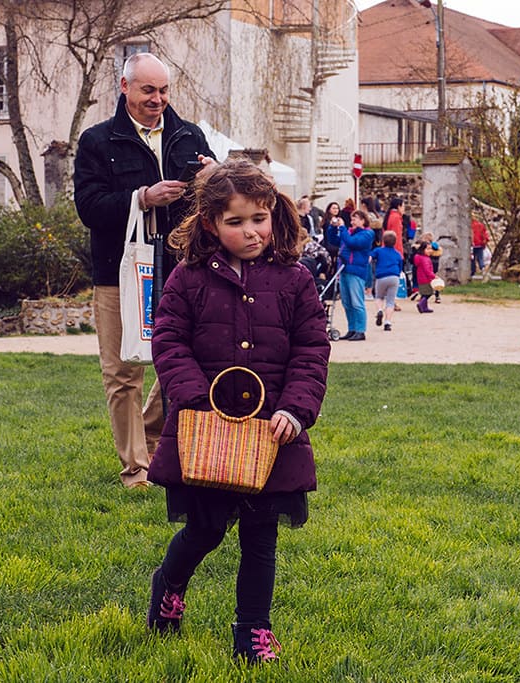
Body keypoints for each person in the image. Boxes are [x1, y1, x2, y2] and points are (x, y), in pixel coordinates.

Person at [146, 160, 329, 665]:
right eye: (236, 222)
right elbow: (168, 341)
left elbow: (312, 350)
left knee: (261, 536)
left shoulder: (294, 280)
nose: (251, 232)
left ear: (274, 215)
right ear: (210, 224)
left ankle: (252, 631)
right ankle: (169, 584)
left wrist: (296, 408)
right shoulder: (187, 279)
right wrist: (194, 398)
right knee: (205, 529)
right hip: (208, 431)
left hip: (272, 433)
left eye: (259, 219)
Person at [73, 52, 215, 489]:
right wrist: (142, 198)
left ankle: (151, 440)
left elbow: (216, 201)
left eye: (164, 90)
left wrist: (214, 176)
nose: (158, 99)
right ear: (125, 87)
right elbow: (88, 208)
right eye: (148, 90)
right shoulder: (97, 141)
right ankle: (135, 469)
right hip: (118, 273)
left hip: (181, 270)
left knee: (183, 358)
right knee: (123, 373)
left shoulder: (190, 136)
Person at [328, 209, 374, 340]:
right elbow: (333, 240)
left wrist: (342, 228)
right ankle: (352, 329)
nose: (352, 222)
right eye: (352, 219)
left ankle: (360, 330)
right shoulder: (348, 233)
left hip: (356, 271)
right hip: (343, 269)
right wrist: (332, 228)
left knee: (356, 302)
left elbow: (352, 243)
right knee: (347, 303)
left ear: (363, 221)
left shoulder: (367, 234)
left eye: (355, 219)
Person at [371, 230, 403, 332]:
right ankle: (387, 322)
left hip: (381, 276)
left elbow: (370, 258)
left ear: (383, 241)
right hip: (394, 277)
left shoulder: (378, 251)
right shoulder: (397, 254)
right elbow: (400, 266)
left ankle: (379, 310)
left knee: (379, 297)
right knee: (390, 301)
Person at [412, 240, 436, 313]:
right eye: (428, 249)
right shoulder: (425, 259)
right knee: (429, 293)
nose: (430, 251)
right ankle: (421, 304)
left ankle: (424, 307)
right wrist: (433, 276)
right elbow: (427, 270)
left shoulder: (419, 257)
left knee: (424, 293)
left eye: (430, 249)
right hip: (426, 279)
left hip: (420, 278)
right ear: (423, 249)